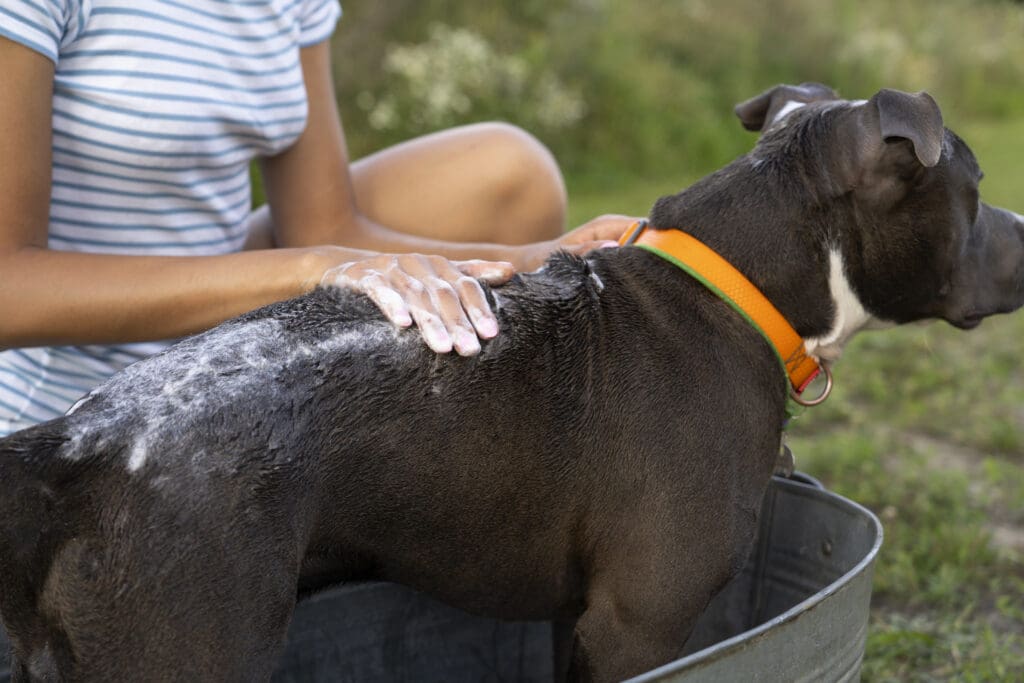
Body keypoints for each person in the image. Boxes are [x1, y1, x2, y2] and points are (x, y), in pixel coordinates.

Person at [0, 1, 635, 436]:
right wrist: (313, 270)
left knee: (508, 171)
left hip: (209, 352)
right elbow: (8, 290)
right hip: (54, 411)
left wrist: (537, 259)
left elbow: (326, 225)